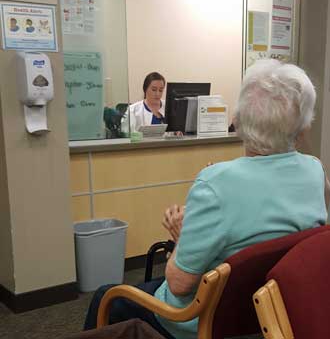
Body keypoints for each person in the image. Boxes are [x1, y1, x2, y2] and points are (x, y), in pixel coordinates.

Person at [84, 59, 329, 339]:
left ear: (238, 120)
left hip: (203, 318)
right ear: (303, 127)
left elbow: (178, 285)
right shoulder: (314, 171)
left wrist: (183, 235)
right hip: (267, 310)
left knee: (108, 297)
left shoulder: (215, 183)